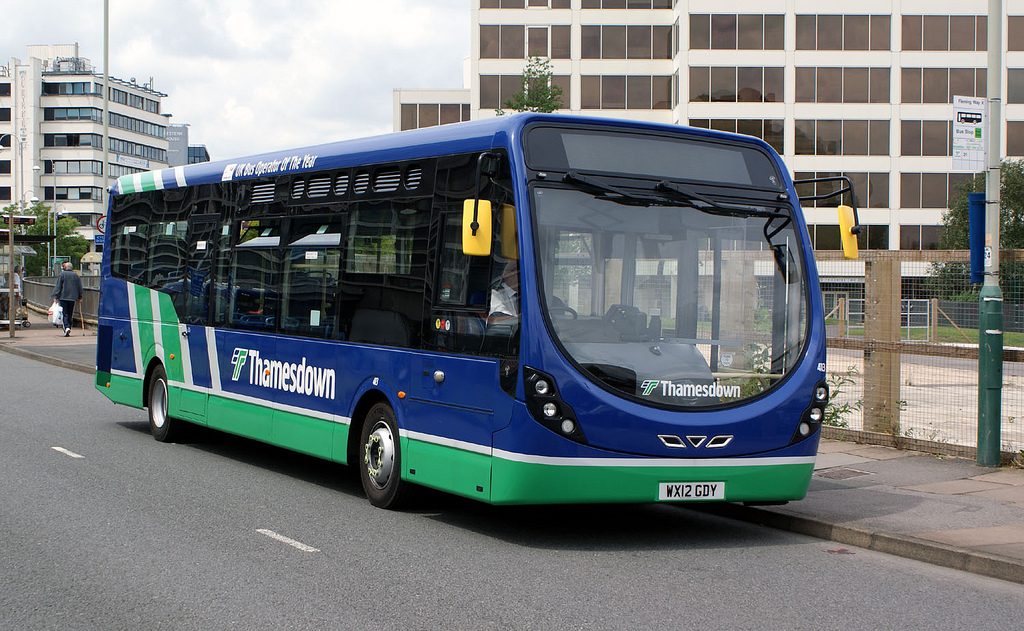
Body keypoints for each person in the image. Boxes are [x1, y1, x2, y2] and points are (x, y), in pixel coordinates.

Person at [51, 261, 83, 337]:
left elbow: (59, 286)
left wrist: (56, 296)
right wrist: (80, 296)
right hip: (72, 298)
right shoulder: (76, 275)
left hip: (63, 297)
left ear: (65, 268)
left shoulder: (62, 274)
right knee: (70, 313)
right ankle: (69, 326)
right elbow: (79, 287)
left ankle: (67, 327)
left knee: (65, 313)